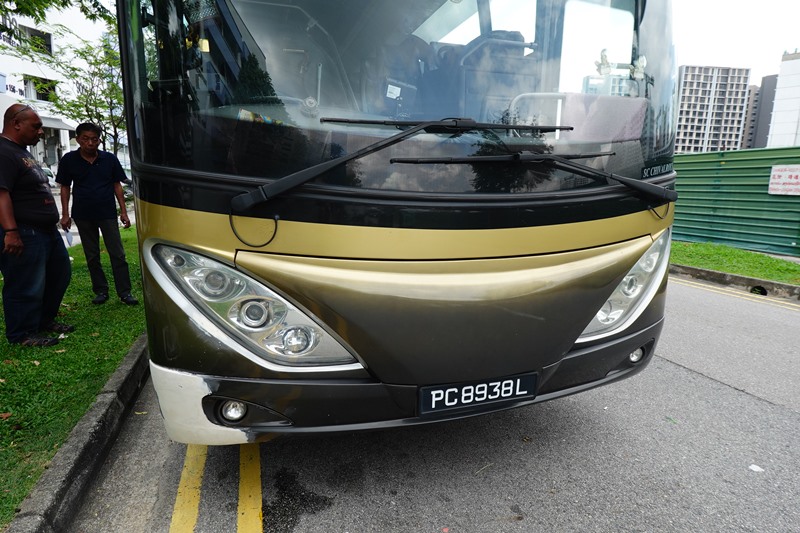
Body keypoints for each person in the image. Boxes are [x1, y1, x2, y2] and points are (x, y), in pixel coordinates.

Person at [0, 103, 73, 347]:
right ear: (16, 124)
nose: (41, 132)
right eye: (36, 126)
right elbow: (1, 194)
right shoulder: (3, 151)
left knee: (59, 274)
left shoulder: (21, 151)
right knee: (25, 283)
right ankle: (22, 334)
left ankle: (43, 320)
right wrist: (11, 231)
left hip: (46, 231)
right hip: (23, 231)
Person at [57, 123, 138, 306]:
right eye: (85, 139)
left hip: (107, 213)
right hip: (83, 214)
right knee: (92, 255)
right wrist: (65, 214)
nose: (90, 143)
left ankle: (125, 292)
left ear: (99, 141)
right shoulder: (69, 159)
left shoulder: (109, 159)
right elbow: (65, 187)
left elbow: (117, 185)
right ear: (78, 139)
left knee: (117, 253)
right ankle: (101, 290)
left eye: (94, 139)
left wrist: (123, 211)